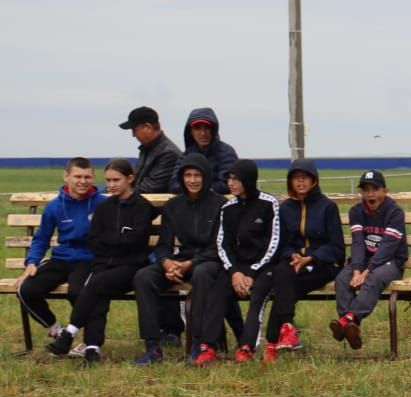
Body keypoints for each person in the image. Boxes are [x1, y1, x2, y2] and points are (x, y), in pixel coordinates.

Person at [44, 159, 157, 364]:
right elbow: (94, 240)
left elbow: (137, 240)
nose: (111, 185)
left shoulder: (141, 206)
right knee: (97, 293)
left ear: (130, 179)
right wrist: (119, 238)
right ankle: (92, 350)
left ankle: (68, 334)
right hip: (104, 266)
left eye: (116, 180)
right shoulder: (105, 206)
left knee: (94, 284)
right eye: (108, 180)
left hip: (130, 268)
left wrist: (112, 239)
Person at [131, 153, 224, 364]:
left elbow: (218, 247)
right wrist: (166, 262)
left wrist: (190, 264)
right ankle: (152, 346)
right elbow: (164, 244)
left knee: (201, 274)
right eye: (187, 175)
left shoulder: (219, 205)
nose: (192, 180)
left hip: (208, 260)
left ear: (206, 177)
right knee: (143, 277)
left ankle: (198, 344)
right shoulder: (173, 206)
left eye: (197, 175)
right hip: (180, 259)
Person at [190, 159, 281, 365]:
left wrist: (251, 272)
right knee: (217, 292)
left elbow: (273, 243)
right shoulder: (228, 207)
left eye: (235, 179)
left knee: (258, 295)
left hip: (263, 268)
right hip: (235, 270)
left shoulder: (269, 204)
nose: (230, 183)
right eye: (228, 178)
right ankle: (208, 347)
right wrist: (234, 272)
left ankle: (247, 346)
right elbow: (223, 244)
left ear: (248, 180)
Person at [17, 157, 105, 348]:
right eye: (77, 176)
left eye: (87, 177)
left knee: (78, 292)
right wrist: (31, 262)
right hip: (61, 259)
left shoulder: (102, 204)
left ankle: (88, 344)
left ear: (93, 178)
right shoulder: (55, 206)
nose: (83, 181)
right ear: (66, 177)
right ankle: (56, 329)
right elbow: (41, 238)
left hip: (88, 260)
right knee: (26, 290)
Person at [262, 159, 345, 359]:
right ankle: (288, 330)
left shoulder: (327, 207)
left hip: (322, 266)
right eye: (295, 178)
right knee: (283, 273)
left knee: (285, 286)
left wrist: (311, 258)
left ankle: (273, 343)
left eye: (304, 178)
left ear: (314, 180)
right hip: (294, 263)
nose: (300, 182)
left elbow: (337, 248)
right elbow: (280, 244)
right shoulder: (285, 209)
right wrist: (293, 255)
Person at [330, 170, 409, 350]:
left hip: (391, 261)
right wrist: (357, 270)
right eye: (365, 190)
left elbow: (388, 247)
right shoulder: (356, 211)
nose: (370, 194)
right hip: (363, 262)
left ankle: (349, 320)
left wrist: (366, 272)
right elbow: (358, 242)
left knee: (373, 279)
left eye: (375, 189)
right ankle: (350, 327)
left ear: (385, 191)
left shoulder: (394, 212)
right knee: (343, 279)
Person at [172, 108, 239, 195]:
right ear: (191, 132)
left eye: (207, 128)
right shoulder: (186, 155)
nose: (203, 133)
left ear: (213, 130)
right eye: (197, 128)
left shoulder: (226, 153)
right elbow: (174, 184)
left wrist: (196, 188)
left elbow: (228, 184)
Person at [117, 106, 180, 196]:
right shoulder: (147, 149)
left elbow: (149, 189)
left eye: (134, 130)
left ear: (148, 127)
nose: (133, 135)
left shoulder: (169, 154)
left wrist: (119, 193)